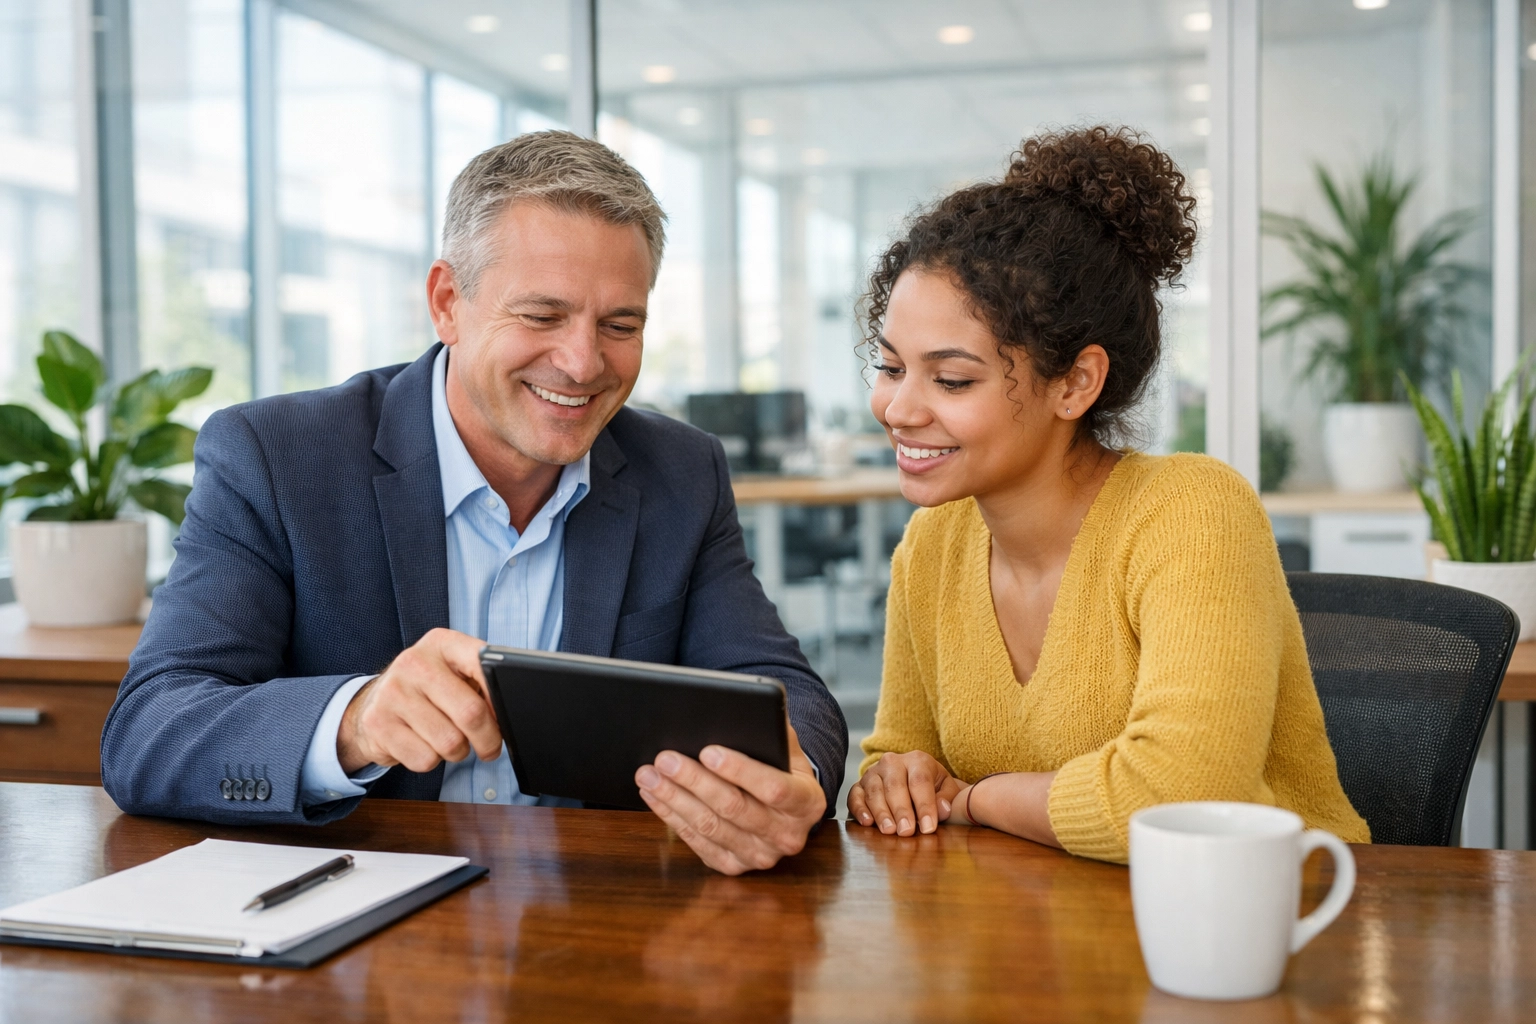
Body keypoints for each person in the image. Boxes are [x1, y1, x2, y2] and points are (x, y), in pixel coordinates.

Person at [101, 131, 846, 876]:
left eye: (620, 325)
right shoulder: (275, 456)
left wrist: (793, 782)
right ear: (447, 302)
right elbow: (149, 732)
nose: (583, 363)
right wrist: (355, 722)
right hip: (360, 933)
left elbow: (791, 699)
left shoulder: (680, 472)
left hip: (601, 924)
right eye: (541, 316)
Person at [846, 125, 1367, 863]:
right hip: (1045, 941)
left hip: (1270, 931)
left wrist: (975, 797)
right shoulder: (931, 548)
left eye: (952, 379)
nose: (898, 408)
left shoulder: (1189, 513)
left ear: (1076, 383)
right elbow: (895, 762)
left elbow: (1179, 799)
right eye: (891, 366)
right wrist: (892, 782)